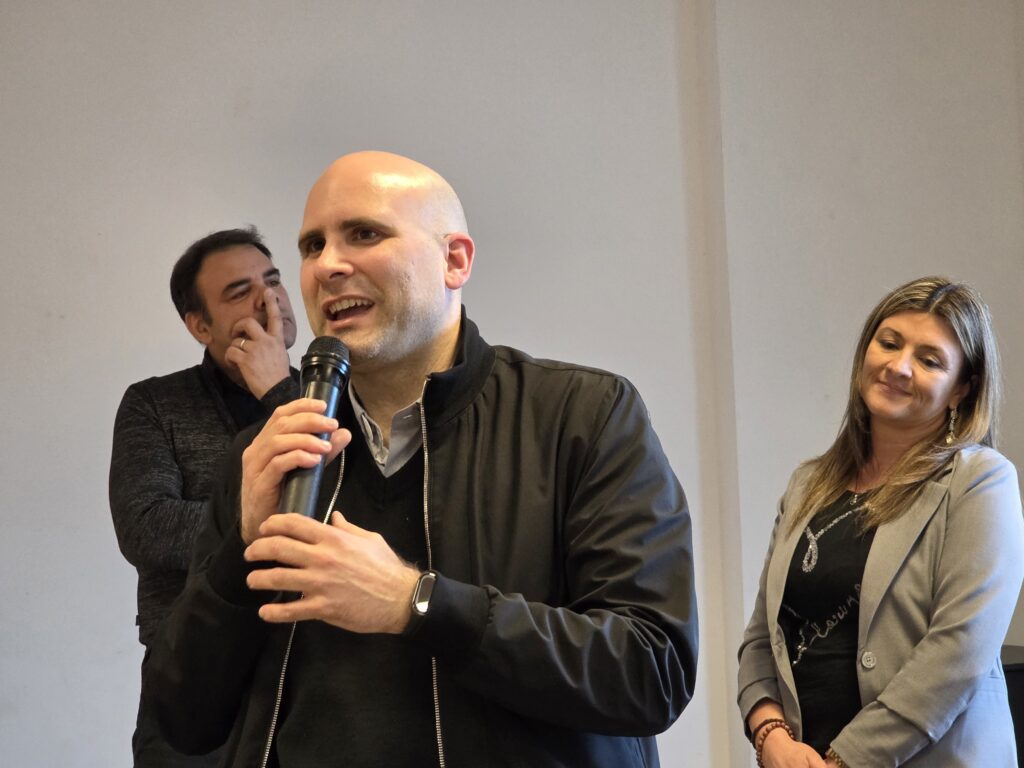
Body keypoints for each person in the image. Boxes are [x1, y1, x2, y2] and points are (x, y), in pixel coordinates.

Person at [143, 151, 698, 767]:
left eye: (364, 234)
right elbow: (182, 719)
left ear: (454, 260)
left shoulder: (583, 415)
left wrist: (418, 604)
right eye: (312, 246)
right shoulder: (267, 452)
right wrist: (240, 552)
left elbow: (652, 669)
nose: (327, 265)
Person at [737, 276, 1023, 766]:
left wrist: (844, 760)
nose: (899, 366)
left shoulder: (980, 481)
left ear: (961, 390)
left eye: (929, 360)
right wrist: (770, 735)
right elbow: (763, 636)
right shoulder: (808, 483)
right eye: (889, 343)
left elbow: (958, 652)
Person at [110, 227, 300, 766]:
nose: (269, 300)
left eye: (273, 280)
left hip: (312, 675)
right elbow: (147, 527)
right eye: (240, 292)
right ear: (200, 325)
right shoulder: (155, 403)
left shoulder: (334, 395)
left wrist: (278, 394)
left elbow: (348, 506)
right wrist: (271, 520)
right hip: (194, 676)